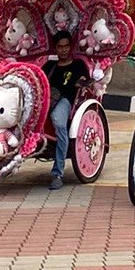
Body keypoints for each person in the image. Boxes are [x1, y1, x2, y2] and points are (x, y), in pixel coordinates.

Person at [44, 30, 90, 189]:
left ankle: (58, 173)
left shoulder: (78, 65)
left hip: (65, 101)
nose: (63, 50)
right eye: (59, 47)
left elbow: (85, 80)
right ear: (55, 48)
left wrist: (81, 82)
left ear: (70, 47)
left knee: (59, 122)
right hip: (46, 101)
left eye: (66, 46)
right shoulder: (49, 66)